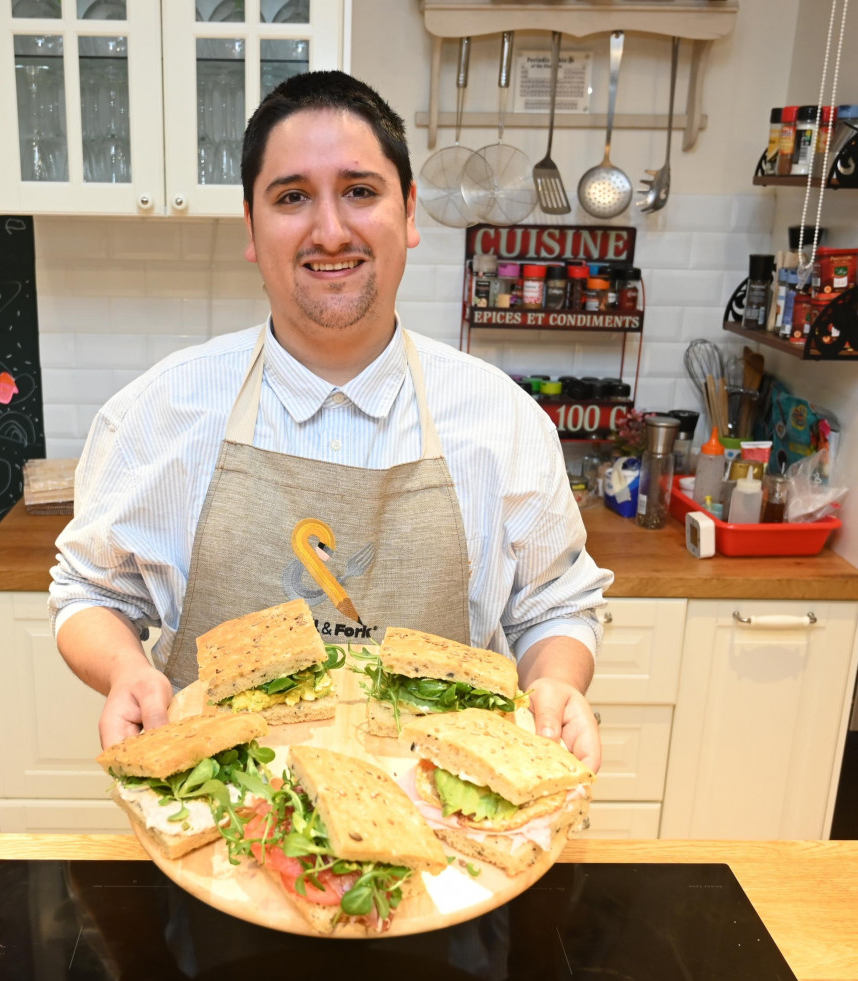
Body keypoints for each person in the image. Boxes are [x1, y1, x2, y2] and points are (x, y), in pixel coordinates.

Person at [49, 71, 612, 772]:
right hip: (214, 823)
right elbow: (91, 590)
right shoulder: (164, 410)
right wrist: (125, 671)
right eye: (291, 197)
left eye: (359, 191)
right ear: (251, 227)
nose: (329, 230)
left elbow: (551, 606)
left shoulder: (501, 420)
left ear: (408, 213)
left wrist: (555, 682)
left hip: (447, 840)